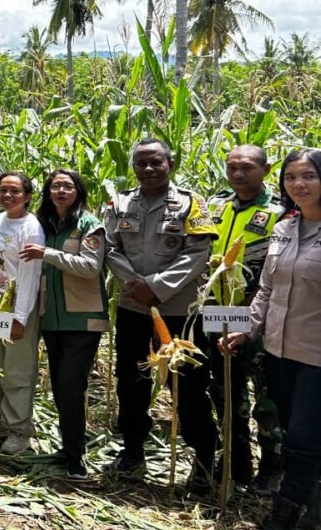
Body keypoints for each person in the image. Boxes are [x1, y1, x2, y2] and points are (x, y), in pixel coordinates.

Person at [104, 137, 218, 491]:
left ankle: (202, 461)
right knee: (131, 380)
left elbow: (199, 250)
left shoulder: (191, 204)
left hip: (179, 312)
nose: (149, 169)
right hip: (133, 308)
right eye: (141, 164)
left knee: (190, 386)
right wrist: (135, 284)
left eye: (156, 162)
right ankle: (132, 450)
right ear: (133, 167)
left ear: (171, 162)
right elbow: (107, 248)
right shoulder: (119, 203)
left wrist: (156, 285)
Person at [222, 149, 321, 530]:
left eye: (309, 176)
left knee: (301, 438)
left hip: (316, 355)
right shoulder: (284, 227)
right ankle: (311, 509)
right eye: (292, 177)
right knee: (298, 430)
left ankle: (285, 513)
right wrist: (246, 328)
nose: (299, 184)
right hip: (280, 351)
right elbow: (266, 290)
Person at [206, 145, 285, 492]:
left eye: (247, 168)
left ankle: (272, 466)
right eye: (232, 167)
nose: (238, 174)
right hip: (219, 313)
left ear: (266, 170)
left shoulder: (280, 212)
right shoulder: (215, 206)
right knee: (225, 391)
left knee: (267, 397)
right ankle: (236, 459)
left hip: (259, 316)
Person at [21, 169, 107, 479]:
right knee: (59, 387)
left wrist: (49, 254)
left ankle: (76, 459)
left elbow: (90, 267)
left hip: (83, 319)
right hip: (51, 319)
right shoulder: (43, 225)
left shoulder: (89, 225)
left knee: (71, 386)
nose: (60, 190)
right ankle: (68, 448)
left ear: (78, 191)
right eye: (55, 186)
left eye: (67, 186)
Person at [0, 171, 45, 454]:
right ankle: (1, 420)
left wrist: (20, 317)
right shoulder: (2, 219)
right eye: (3, 191)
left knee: (17, 368)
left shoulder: (30, 227)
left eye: (15, 192)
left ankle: (20, 430)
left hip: (19, 301)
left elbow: (30, 275)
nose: (7, 196)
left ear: (28, 196)